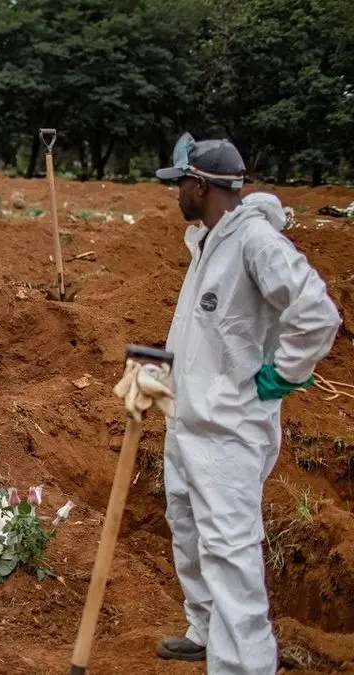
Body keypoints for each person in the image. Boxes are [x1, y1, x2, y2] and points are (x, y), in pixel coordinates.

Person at [154, 134, 340, 673]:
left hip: (229, 432)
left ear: (201, 185)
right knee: (189, 533)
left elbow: (316, 314)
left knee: (231, 557)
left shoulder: (256, 242)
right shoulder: (208, 241)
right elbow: (204, 334)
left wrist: (281, 377)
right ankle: (205, 630)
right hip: (187, 421)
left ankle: (244, 665)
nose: (175, 195)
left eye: (180, 184)